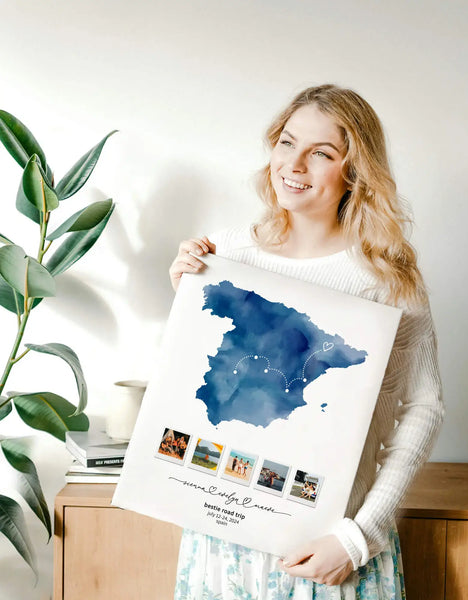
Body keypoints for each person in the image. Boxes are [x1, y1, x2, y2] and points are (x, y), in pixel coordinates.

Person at [169, 84, 444, 599]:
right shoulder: (228, 252)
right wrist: (185, 298)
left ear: (355, 172)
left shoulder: (384, 278)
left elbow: (424, 407)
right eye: (287, 144)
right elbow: (204, 388)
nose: (294, 165)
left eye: (321, 153)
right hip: (222, 538)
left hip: (330, 545)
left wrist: (360, 537)